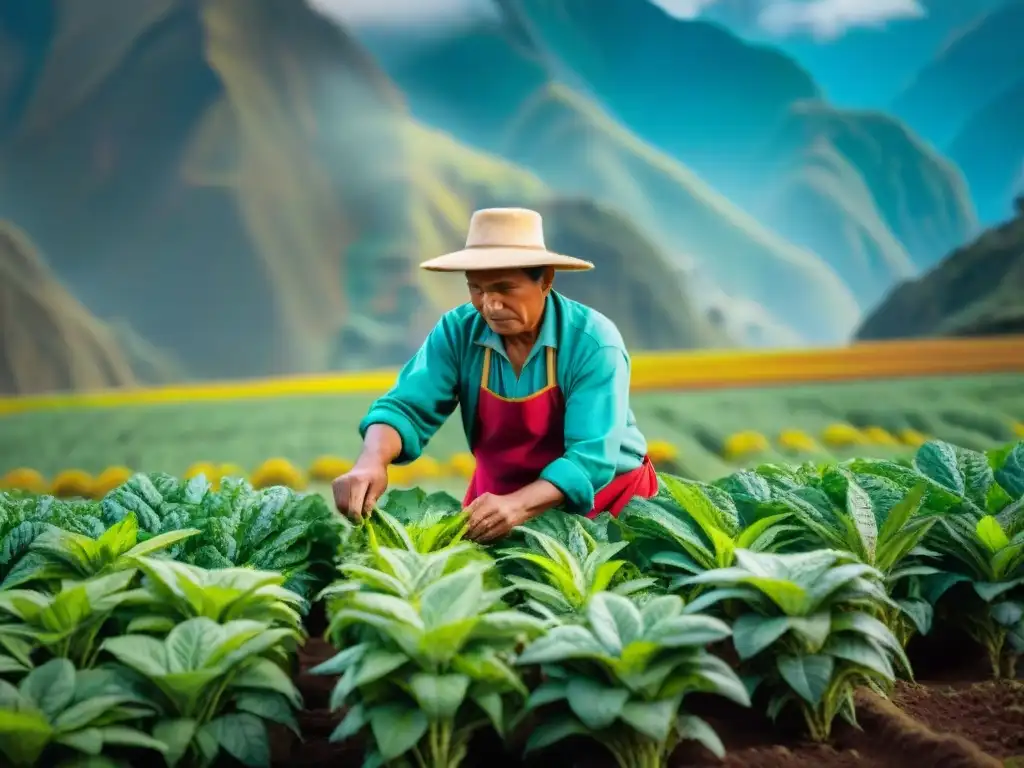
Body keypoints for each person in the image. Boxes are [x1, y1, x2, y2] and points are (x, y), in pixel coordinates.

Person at [332, 207, 658, 542]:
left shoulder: (592, 342)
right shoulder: (458, 331)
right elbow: (406, 408)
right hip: (500, 496)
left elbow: (591, 458)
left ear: (546, 279)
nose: (490, 304)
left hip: (606, 502)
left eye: (505, 288)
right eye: (477, 289)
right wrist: (370, 461)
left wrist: (518, 507)